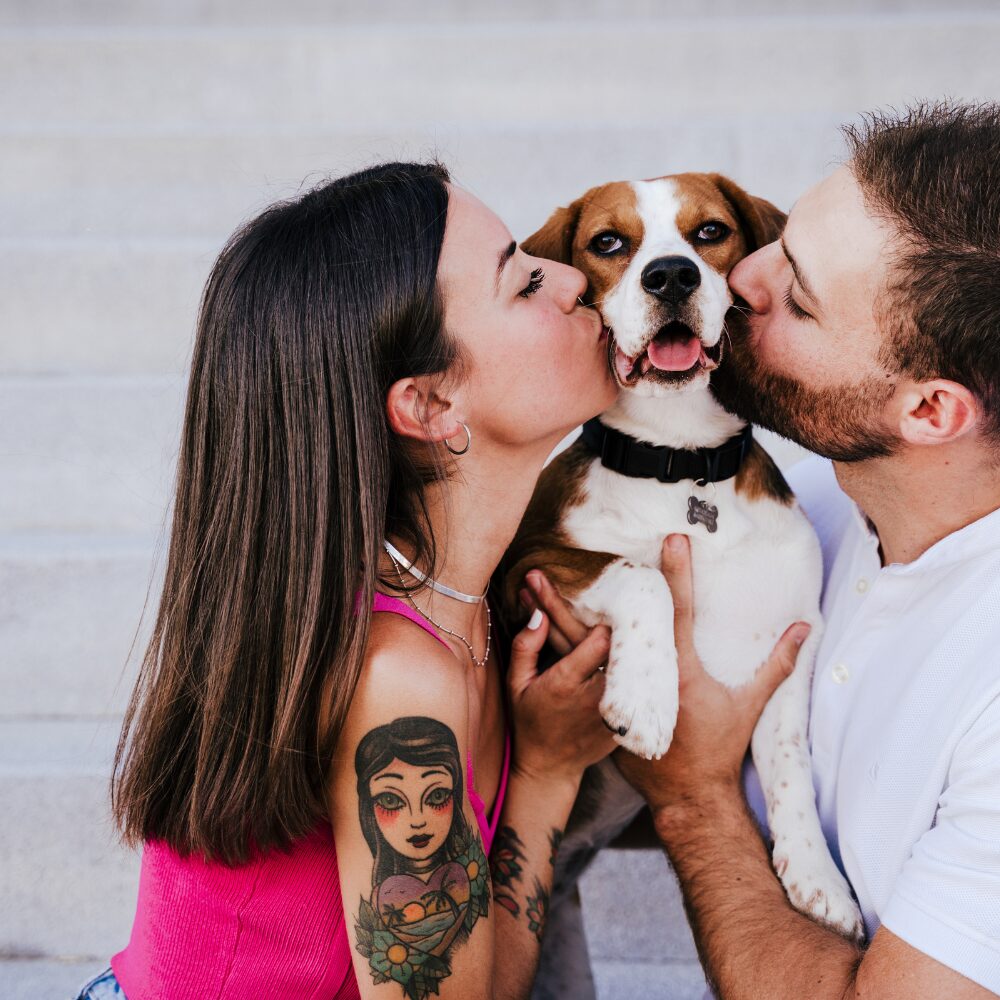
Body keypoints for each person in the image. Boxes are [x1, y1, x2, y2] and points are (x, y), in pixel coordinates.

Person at [72, 161, 625, 1000]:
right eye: (521, 281)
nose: (576, 278)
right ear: (432, 406)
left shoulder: (463, 605)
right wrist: (546, 782)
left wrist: (546, 764)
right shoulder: (397, 676)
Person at [531, 101, 1000, 998]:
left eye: (799, 291)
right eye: (770, 250)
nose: (735, 279)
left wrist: (694, 794)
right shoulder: (817, 501)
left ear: (929, 412)